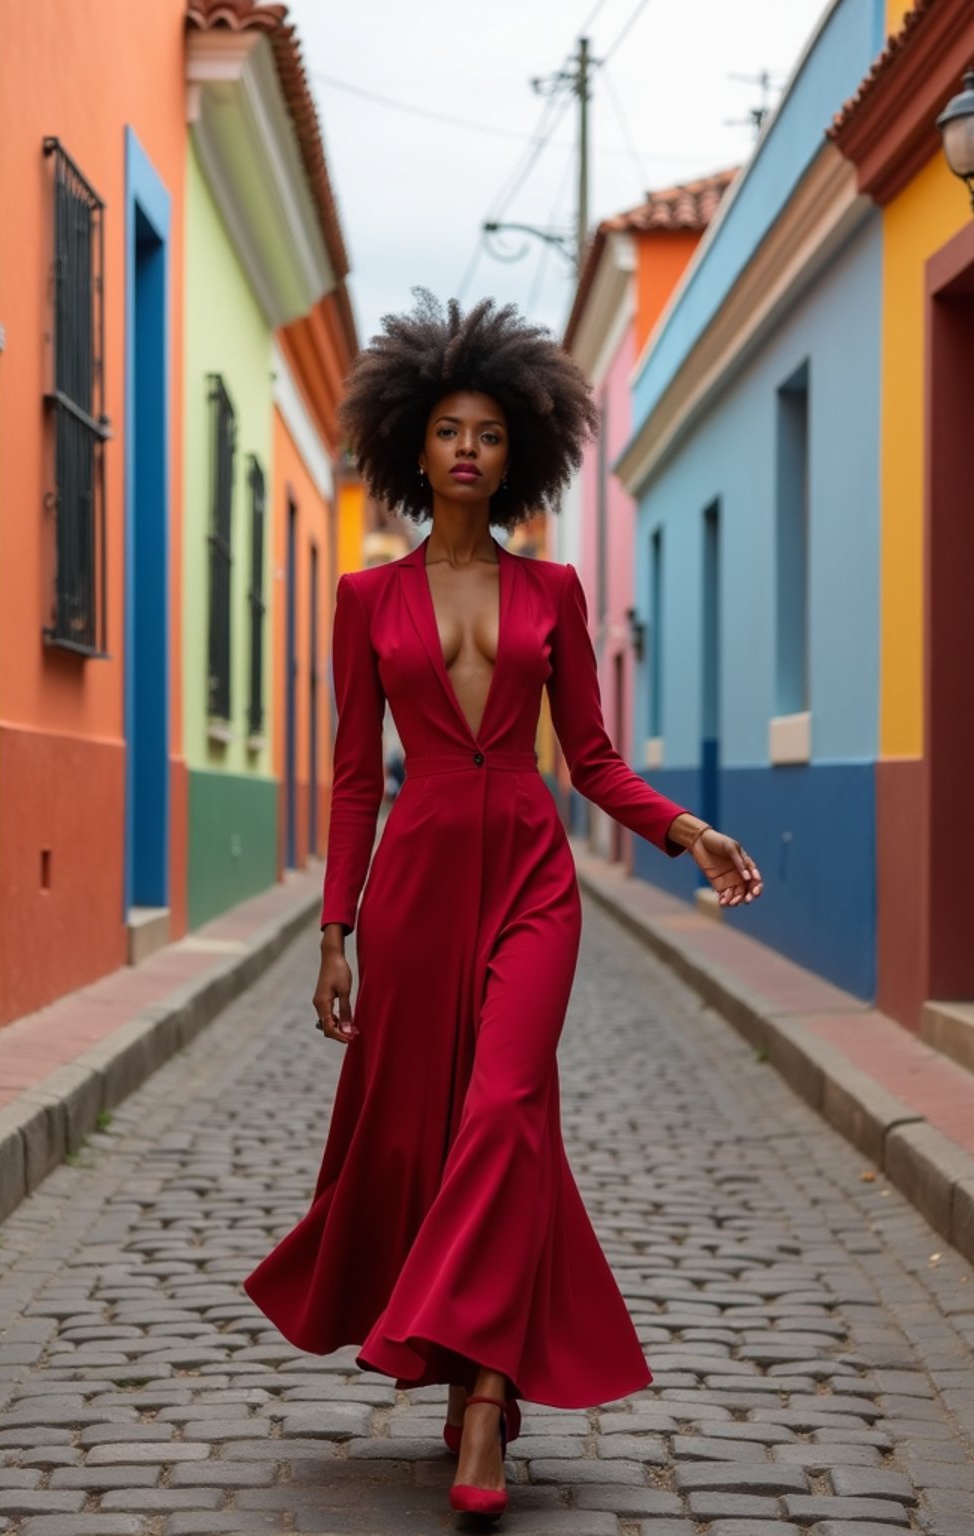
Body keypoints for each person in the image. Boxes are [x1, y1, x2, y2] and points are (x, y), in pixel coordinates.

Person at [243, 291, 763, 1520]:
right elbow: (357, 778)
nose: (467, 448)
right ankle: (469, 1368)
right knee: (420, 1130)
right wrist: (336, 927)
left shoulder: (556, 594)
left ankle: (484, 1395)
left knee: (505, 1105)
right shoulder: (368, 603)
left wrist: (682, 828)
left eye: (486, 431)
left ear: (516, 448)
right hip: (417, 886)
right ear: (412, 451)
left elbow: (588, 760)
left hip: (532, 876)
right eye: (446, 430)